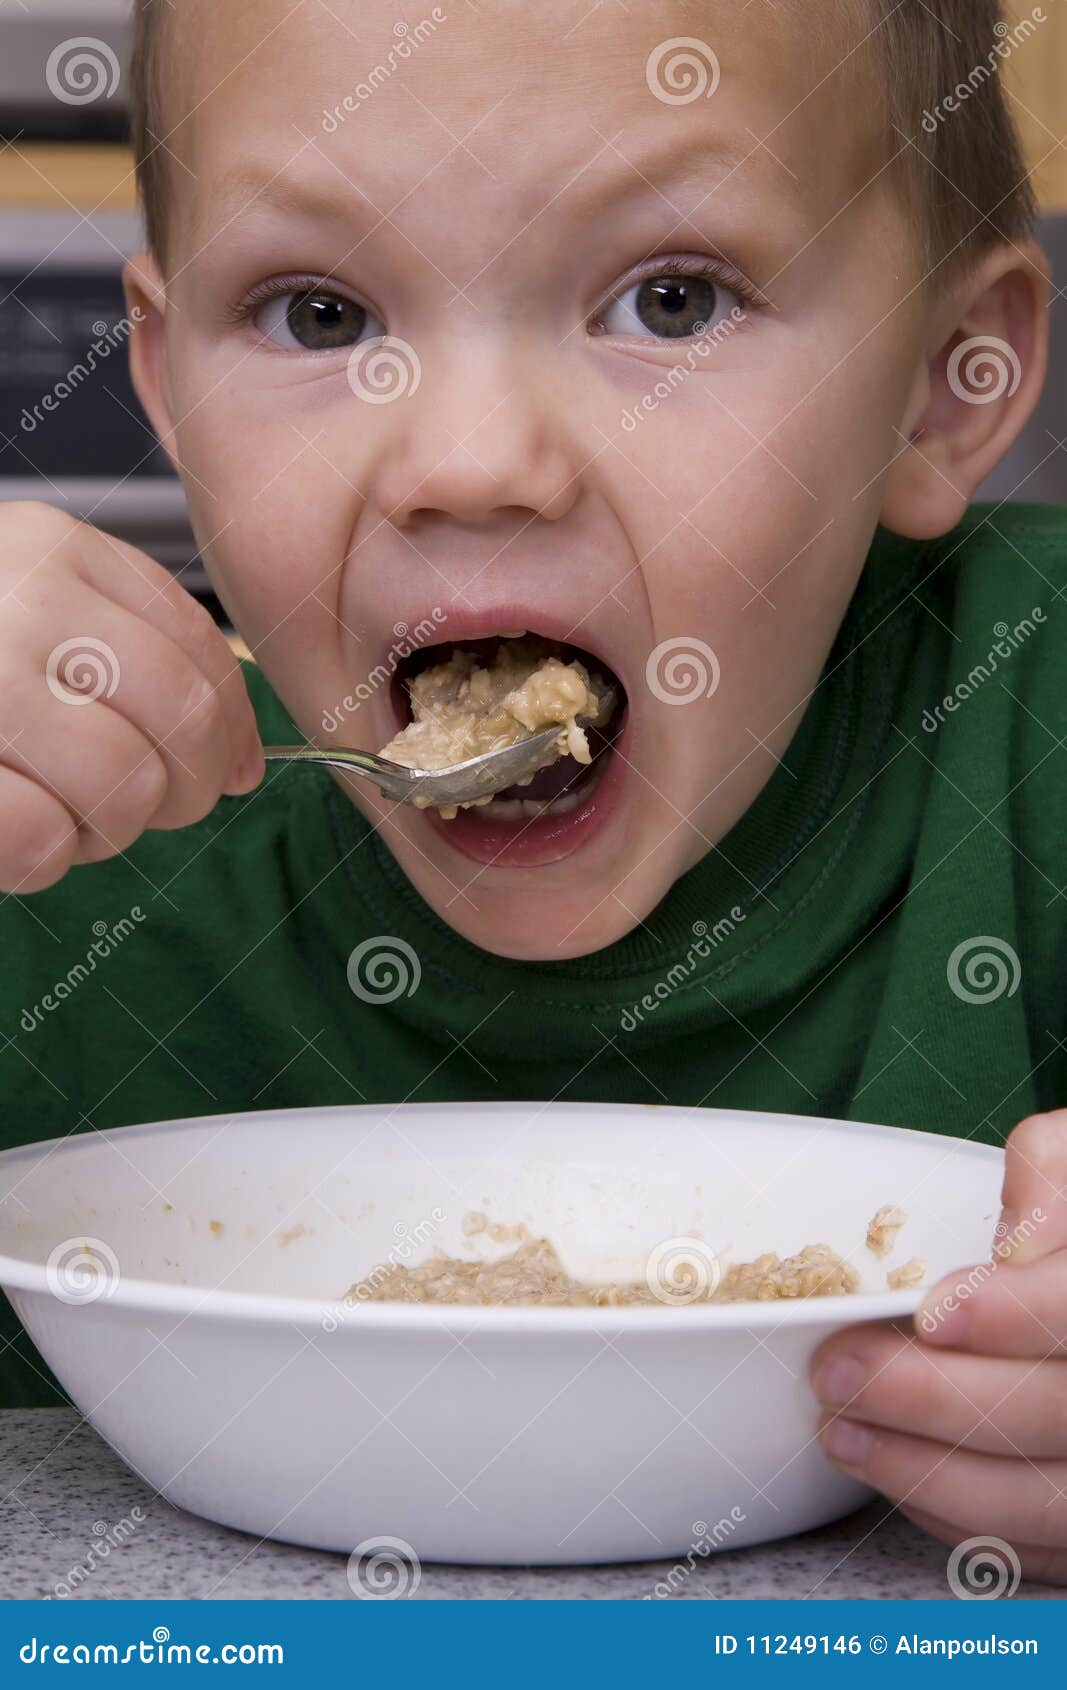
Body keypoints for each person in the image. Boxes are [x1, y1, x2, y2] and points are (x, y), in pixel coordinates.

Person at [1, 0, 1065, 1584]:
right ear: (164, 384)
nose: (472, 458)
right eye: (315, 314)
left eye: (673, 297)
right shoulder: (56, 840)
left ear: (942, 382)